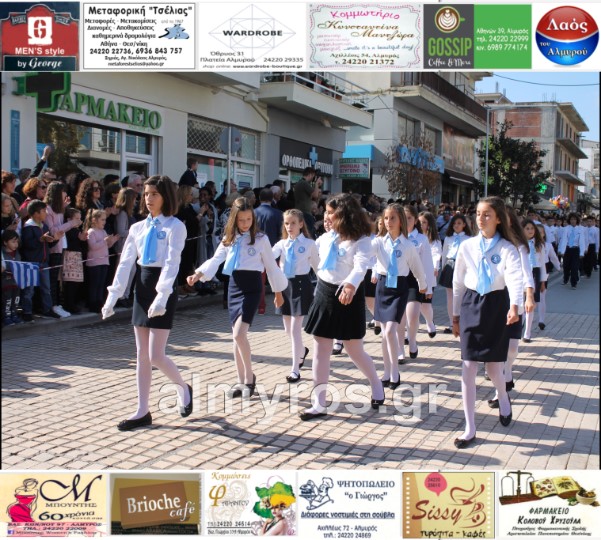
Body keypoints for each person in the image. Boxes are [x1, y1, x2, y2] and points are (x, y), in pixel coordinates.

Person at [102, 175, 192, 431]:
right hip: (142, 286)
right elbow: (126, 263)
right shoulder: (137, 228)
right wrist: (113, 295)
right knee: (142, 354)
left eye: (154, 194)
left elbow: (172, 263)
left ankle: (183, 387)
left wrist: (162, 295)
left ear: (166, 196)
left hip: (163, 285)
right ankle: (142, 410)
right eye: (146, 194)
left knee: (156, 355)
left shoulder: (176, 226)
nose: (149, 198)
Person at [187, 197, 287, 398]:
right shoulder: (229, 238)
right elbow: (216, 259)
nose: (245, 223)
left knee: (239, 335)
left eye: (249, 219)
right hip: (234, 287)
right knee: (236, 337)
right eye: (241, 220)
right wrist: (198, 274)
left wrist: (278, 292)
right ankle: (241, 381)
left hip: (252, 288)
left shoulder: (261, 239)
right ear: (234, 219)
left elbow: (271, 266)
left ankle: (249, 379)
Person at [301, 193, 386, 420]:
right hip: (324, 293)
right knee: (321, 348)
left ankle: (376, 384)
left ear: (344, 215)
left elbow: (361, 267)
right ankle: (319, 403)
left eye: (331, 213)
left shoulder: (362, 240)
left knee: (354, 350)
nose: (326, 217)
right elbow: (313, 257)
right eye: (326, 212)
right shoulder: (326, 238)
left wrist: (350, 284)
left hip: (349, 294)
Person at [452, 197, 523, 448]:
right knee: (468, 366)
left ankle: (503, 396)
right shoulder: (467, 246)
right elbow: (458, 282)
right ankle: (469, 427)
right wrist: (455, 314)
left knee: (494, 369)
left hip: (496, 307)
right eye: (478, 214)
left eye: (487, 214)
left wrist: (515, 305)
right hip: (471, 304)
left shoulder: (507, 248)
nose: (480, 219)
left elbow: (515, 278)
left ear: (499, 219)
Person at [372, 204, 426, 389]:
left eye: (393, 218)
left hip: (399, 288)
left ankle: (395, 372)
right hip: (382, 287)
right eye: (386, 218)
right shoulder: (378, 242)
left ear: (401, 221)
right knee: (384, 335)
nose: (388, 222)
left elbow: (417, 266)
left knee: (389, 331)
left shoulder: (408, 245)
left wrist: (423, 284)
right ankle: (386, 372)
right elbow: (365, 253)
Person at [487, 206, 535, 409]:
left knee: (513, 347)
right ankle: (501, 391)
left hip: (515, 299)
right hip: (494, 300)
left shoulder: (519, 246)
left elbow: (527, 273)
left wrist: (529, 296)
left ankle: (508, 370)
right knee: (499, 347)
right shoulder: (490, 243)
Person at [272, 209, 319, 383]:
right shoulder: (282, 244)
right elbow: (269, 256)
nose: (289, 226)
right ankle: (301, 351)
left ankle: (295, 369)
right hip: (284, 285)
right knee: (287, 329)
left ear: (300, 224)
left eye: (293, 223)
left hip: (301, 285)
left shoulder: (309, 244)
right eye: (286, 223)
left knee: (294, 329)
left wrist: (324, 287)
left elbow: (317, 267)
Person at [398, 205, 435, 362]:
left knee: (412, 315)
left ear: (415, 220)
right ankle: (400, 348)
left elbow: (427, 264)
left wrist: (429, 286)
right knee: (399, 317)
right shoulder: (394, 237)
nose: (406, 221)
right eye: (403, 218)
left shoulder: (421, 239)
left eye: (409, 218)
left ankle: (412, 340)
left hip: (415, 280)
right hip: (398, 279)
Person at [19, 200, 61, 321]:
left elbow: (48, 245)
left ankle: (47, 309)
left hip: (44, 262)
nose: (46, 213)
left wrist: (55, 239)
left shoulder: (44, 226)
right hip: (31, 263)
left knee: (46, 288)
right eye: (43, 211)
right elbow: (27, 245)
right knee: (29, 289)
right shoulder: (28, 227)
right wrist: (40, 240)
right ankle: (27, 312)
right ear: (36, 213)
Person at [44, 181, 76, 318]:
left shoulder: (58, 208)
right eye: (63, 191)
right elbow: (53, 230)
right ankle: (52, 306)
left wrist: (64, 207)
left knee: (58, 279)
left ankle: (57, 304)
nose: (65, 193)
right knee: (52, 279)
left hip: (62, 245)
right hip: (54, 247)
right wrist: (71, 223)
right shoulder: (48, 209)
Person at [439, 213, 472, 334]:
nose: (456, 225)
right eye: (454, 223)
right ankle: (451, 323)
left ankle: (462, 321)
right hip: (450, 265)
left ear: (464, 225)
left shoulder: (468, 239)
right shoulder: (449, 238)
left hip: (463, 267)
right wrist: (443, 268)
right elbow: (444, 253)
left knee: (462, 295)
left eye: (459, 223)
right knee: (450, 296)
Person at [85, 209, 119, 313]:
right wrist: (105, 241)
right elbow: (93, 246)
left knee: (101, 283)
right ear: (94, 220)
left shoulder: (103, 231)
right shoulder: (91, 232)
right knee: (94, 284)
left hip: (104, 261)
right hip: (94, 262)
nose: (104, 222)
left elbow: (107, 246)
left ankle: (99, 302)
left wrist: (112, 241)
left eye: (105, 220)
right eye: (102, 220)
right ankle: (92, 304)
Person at [521, 219, 548, 343]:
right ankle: (520, 325)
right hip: (521, 274)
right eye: (527, 228)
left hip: (535, 273)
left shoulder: (539, 245)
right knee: (520, 303)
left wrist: (543, 281)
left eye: (532, 228)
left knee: (531, 303)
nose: (530, 231)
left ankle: (527, 333)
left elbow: (542, 264)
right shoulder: (518, 244)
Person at [417, 211, 442, 338]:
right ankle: (410, 331)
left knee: (425, 304)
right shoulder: (413, 237)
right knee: (412, 303)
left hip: (428, 274)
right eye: (419, 222)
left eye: (424, 222)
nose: (421, 224)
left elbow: (436, 254)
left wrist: (435, 267)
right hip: (414, 274)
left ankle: (430, 322)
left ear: (429, 224)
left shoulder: (434, 240)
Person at [114, 188, 138, 307]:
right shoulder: (122, 214)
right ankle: (121, 296)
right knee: (124, 272)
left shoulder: (129, 213)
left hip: (131, 247)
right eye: (133, 199)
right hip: (123, 247)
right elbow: (121, 231)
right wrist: (136, 232)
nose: (135, 201)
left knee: (132, 271)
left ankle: (126, 295)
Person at [62, 207, 87, 314]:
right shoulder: (69, 230)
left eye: (80, 219)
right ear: (69, 220)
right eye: (76, 219)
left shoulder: (77, 230)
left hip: (77, 257)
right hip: (70, 256)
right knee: (70, 283)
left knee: (76, 283)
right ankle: (69, 305)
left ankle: (73, 303)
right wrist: (80, 237)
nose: (79, 221)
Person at [536, 224, 560, 331]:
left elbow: (553, 257)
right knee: (529, 298)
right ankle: (525, 320)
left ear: (544, 234)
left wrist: (558, 266)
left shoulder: (548, 245)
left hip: (543, 270)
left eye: (541, 232)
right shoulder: (527, 244)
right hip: (531, 271)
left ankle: (541, 320)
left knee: (542, 297)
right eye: (537, 231)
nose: (538, 234)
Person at [558, 212, 586, 289]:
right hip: (567, 249)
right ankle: (565, 279)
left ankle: (574, 283)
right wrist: (562, 251)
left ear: (577, 220)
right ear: (569, 220)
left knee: (574, 267)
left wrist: (582, 252)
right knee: (566, 266)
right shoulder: (566, 228)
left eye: (574, 219)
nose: (573, 221)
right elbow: (564, 240)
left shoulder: (580, 229)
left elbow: (582, 241)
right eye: (571, 219)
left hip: (576, 249)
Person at [293, 167, 322, 236]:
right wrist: (316, 184)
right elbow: (315, 195)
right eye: (313, 176)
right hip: (305, 212)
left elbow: (312, 197)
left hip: (301, 211)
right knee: (309, 233)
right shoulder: (304, 183)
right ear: (310, 174)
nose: (313, 178)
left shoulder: (300, 183)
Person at [2, 230, 22, 326]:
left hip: (16, 282)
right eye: (13, 242)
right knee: (7, 300)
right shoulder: (2, 254)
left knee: (16, 299)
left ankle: (14, 314)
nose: (16, 244)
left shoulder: (17, 254)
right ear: (5, 242)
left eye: (17, 242)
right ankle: (6, 316)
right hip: (6, 282)